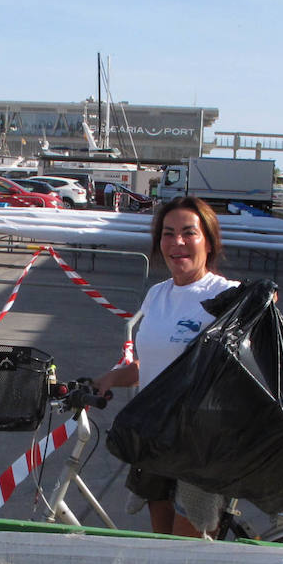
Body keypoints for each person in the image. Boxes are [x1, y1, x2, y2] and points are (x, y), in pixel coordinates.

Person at [94, 196, 238, 537]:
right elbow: (154, 366)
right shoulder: (157, 294)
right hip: (157, 436)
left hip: (200, 445)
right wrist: (110, 378)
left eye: (189, 233)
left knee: (184, 551)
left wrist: (261, 300)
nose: (178, 243)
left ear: (209, 241)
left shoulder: (229, 295)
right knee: (160, 544)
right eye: (168, 234)